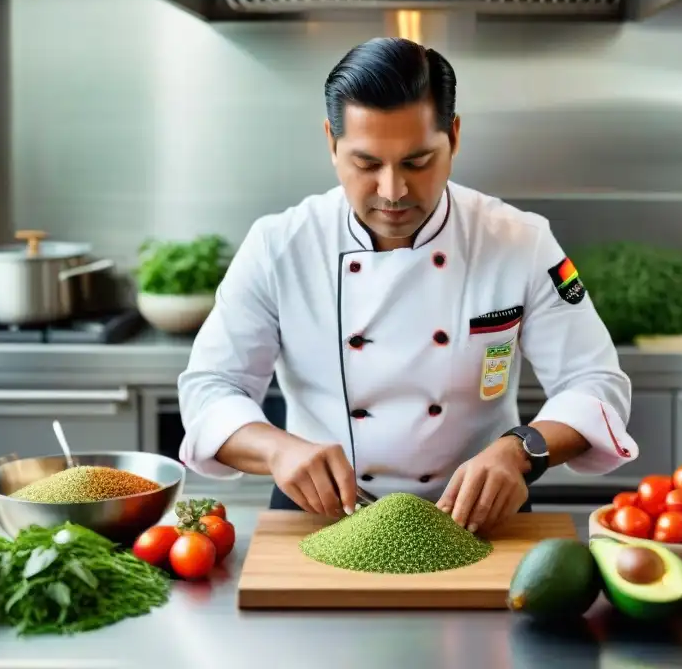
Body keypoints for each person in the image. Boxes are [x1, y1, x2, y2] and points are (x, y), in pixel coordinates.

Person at [178, 37, 637, 534]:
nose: (392, 191)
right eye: (367, 163)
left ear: (454, 137)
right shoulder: (279, 245)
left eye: (417, 162)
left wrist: (520, 450)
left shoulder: (520, 241)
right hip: (321, 517)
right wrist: (277, 448)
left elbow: (594, 383)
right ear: (332, 142)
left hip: (477, 518)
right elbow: (210, 388)